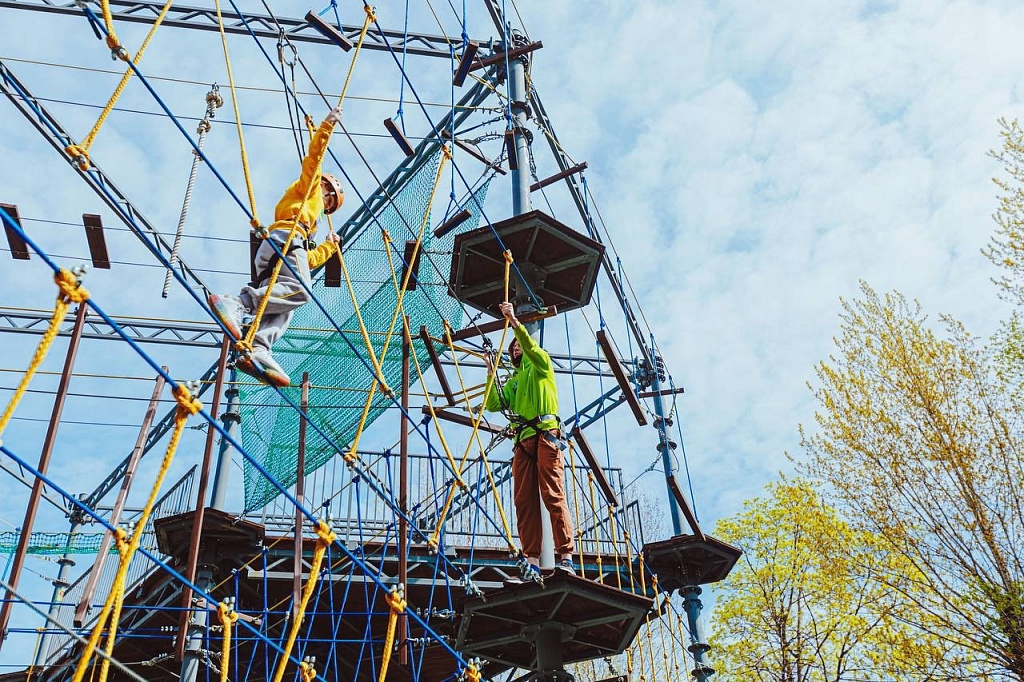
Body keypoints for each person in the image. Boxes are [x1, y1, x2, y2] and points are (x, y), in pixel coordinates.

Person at [208, 105, 345, 388]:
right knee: (302, 291)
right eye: (328, 193)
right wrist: (326, 127)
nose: (327, 199)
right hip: (284, 240)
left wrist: (329, 247)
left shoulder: (311, 225)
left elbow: (309, 259)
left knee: (284, 308)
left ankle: (257, 348)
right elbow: (314, 160)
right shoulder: (308, 187)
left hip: (282, 251)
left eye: (330, 202)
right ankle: (239, 303)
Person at [485, 301, 576, 579]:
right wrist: (490, 372)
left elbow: (532, 347)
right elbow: (493, 404)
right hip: (522, 442)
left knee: (552, 493)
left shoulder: (540, 366)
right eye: (512, 347)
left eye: (518, 345)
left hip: (546, 434)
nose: (515, 348)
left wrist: (513, 321)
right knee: (524, 501)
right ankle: (532, 558)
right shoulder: (514, 381)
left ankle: (566, 556)